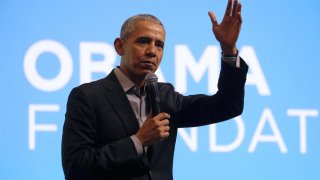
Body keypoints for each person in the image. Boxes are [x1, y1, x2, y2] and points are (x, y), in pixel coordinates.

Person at [62, 0, 248, 179]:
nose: (152, 51)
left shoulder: (165, 96)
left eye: (159, 45)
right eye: (143, 41)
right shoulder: (88, 97)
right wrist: (138, 141)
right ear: (120, 46)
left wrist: (228, 49)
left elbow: (227, 105)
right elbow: (76, 168)